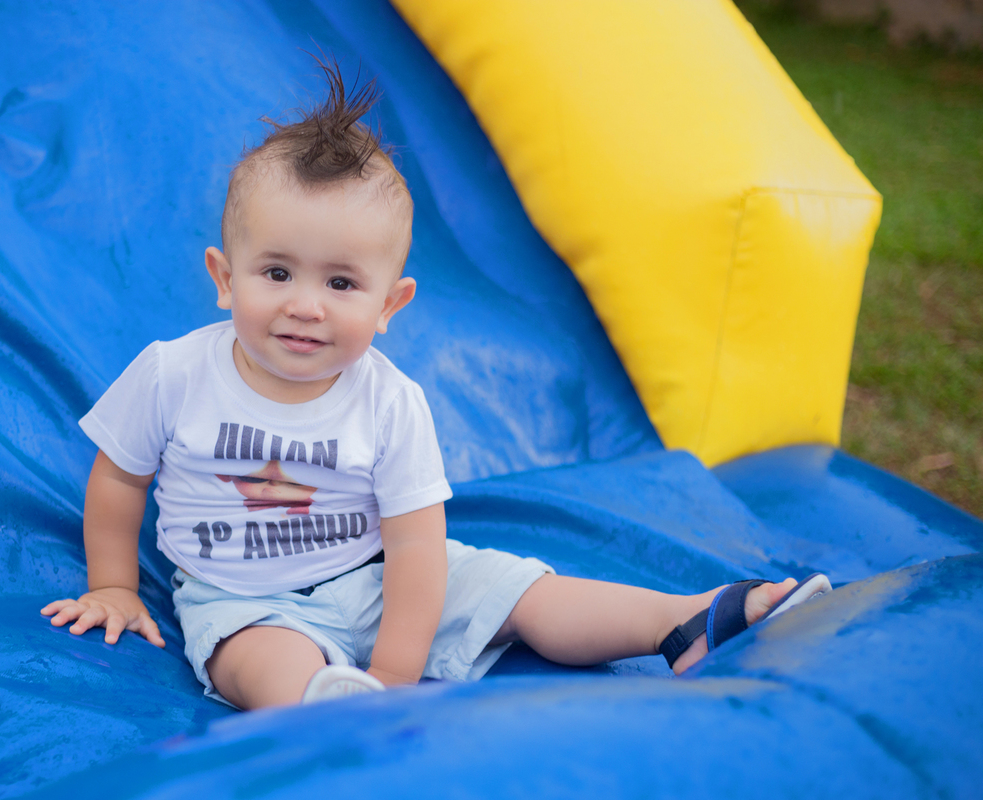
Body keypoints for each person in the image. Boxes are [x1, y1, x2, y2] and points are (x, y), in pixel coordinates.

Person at [40, 59, 830, 709]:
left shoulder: (389, 402)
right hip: (242, 599)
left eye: (342, 284)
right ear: (223, 277)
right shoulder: (174, 373)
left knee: (519, 591)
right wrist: (114, 584)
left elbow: (417, 548)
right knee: (258, 662)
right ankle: (324, 710)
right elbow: (120, 475)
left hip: (379, 579)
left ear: (391, 306)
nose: (305, 305)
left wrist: (396, 669)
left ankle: (688, 619)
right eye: (276, 272)